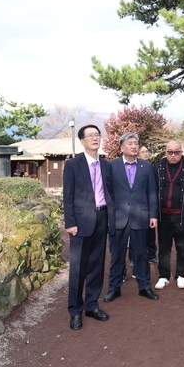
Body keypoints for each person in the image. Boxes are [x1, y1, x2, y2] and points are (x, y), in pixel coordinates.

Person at [63, 124, 115, 331]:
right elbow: (67, 196)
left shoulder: (107, 165)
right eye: (90, 135)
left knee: (96, 265)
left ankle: (92, 305)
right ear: (82, 141)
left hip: (102, 218)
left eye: (97, 135)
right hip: (81, 223)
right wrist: (70, 222)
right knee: (78, 269)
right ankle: (75, 310)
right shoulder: (73, 164)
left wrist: (111, 217)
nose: (94, 138)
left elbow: (110, 193)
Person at [103, 133, 159, 302]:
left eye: (136, 143)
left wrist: (153, 215)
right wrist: (110, 215)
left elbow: (152, 192)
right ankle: (114, 288)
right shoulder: (111, 166)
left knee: (141, 254)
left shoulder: (146, 167)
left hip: (140, 217)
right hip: (118, 218)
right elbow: (107, 193)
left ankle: (144, 287)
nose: (134, 146)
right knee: (117, 255)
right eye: (130, 144)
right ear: (121, 148)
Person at [154, 141, 184, 290]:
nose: (173, 155)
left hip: (181, 216)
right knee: (164, 247)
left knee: (182, 246)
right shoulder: (157, 168)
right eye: (170, 152)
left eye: (176, 152)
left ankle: (181, 275)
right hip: (163, 216)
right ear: (165, 152)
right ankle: (163, 276)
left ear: (181, 152)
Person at [137, 146, 159, 265]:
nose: (145, 154)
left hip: (149, 205)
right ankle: (134, 258)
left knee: (151, 233)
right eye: (143, 152)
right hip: (137, 207)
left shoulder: (152, 168)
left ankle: (151, 255)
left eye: (147, 151)